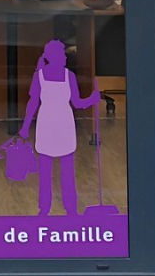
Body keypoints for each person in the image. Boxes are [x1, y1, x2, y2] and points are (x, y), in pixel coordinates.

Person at [18, 39, 102, 216]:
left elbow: (76, 103)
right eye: (62, 53)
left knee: (60, 171)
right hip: (51, 125)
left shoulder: (66, 75)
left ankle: (63, 208)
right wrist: (25, 126)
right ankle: (56, 208)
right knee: (57, 171)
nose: (65, 56)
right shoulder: (42, 76)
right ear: (53, 56)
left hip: (60, 125)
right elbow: (34, 103)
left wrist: (91, 100)